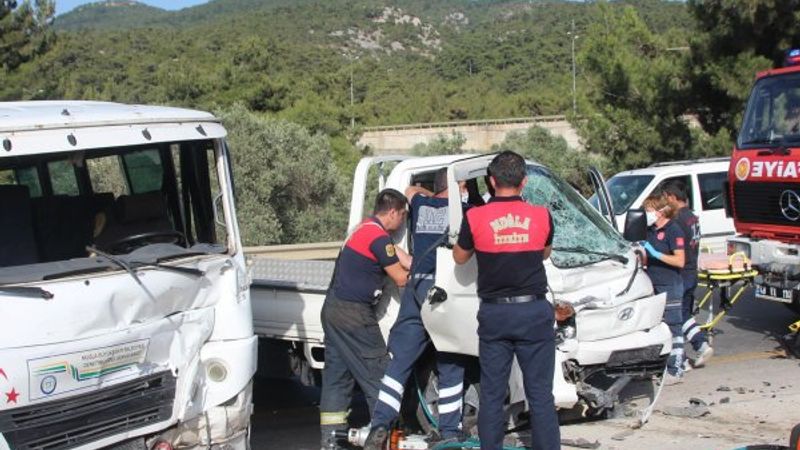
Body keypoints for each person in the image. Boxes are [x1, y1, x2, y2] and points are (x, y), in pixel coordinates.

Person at [452, 151, 560, 450]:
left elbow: (459, 258)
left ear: (491, 181)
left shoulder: (474, 217)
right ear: (524, 181)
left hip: (495, 315)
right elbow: (544, 253)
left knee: (492, 394)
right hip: (534, 312)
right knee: (540, 395)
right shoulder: (542, 215)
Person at [364, 168, 469, 450]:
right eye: (463, 186)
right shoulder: (465, 212)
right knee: (451, 360)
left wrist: (431, 193)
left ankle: (380, 425)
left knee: (399, 363)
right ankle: (449, 430)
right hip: (442, 290)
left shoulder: (422, 204)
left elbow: (410, 191)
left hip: (415, 287)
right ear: (458, 188)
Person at [319, 189, 412, 450]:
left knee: (337, 378)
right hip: (354, 316)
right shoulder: (378, 238)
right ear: (392, 212)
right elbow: (401, 278)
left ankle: (331, 440)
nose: (403, 221)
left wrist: (413, 260)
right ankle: (382, 440)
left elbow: (400, 257)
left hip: (333, 311)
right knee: (380, 375)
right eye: (403, 215)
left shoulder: (363, 228)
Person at [661, 182, 714, 369]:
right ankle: (698, 347)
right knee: (684, 313)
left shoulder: (677, 220)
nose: (664, 202)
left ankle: (684, 358)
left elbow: (674, 249)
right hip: (692, 271)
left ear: (672, 197)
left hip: (681, 274)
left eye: (665, 198)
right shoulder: (691, 217)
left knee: (674, 317)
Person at [640, 193, 686, 385]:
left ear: (660, 212)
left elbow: (680, 261)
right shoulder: (650, 230)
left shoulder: (673, 230)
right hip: (652, 283)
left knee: (674, 327)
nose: (646, 213)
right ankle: (659, 366)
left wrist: (656, 254)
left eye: (649, 210)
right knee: (655, 327)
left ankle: (676, 369)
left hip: (670, 284)